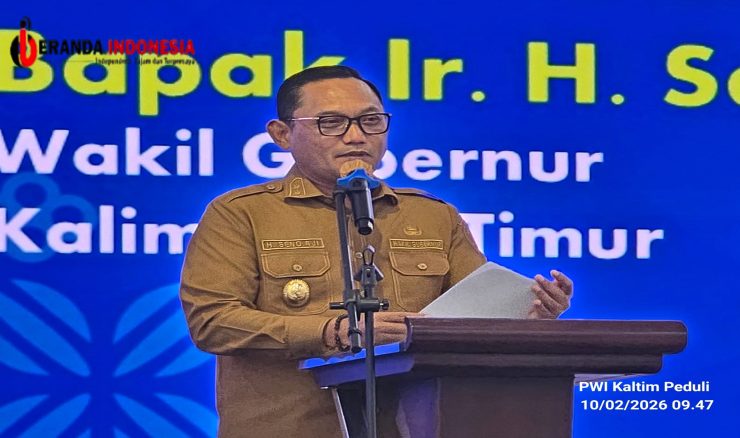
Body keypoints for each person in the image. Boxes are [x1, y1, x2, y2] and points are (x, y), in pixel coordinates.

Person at [179, 66, 573, 437]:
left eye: (371, 121)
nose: (356, 136)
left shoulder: (433, 215)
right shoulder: (242, 213)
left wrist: (526, 318)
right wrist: (334, 332)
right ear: (282, 134)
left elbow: (473, 319)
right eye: (331, 123)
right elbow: (214, 322)